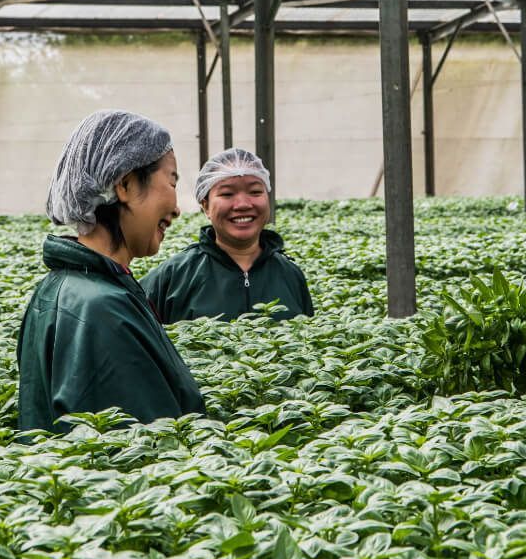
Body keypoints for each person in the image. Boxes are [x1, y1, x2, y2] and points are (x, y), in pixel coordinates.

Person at [16, 110, 205, 434]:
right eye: (171, 180)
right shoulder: (102, 310)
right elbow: (142, 455)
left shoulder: (62, 287)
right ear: (126, 184)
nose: (176, 207)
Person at [143, 148, 314, 324]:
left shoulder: (290, 274)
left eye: (255, 192)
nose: (243, 204)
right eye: (227, 194)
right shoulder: (173, 276)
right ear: (206, 206)